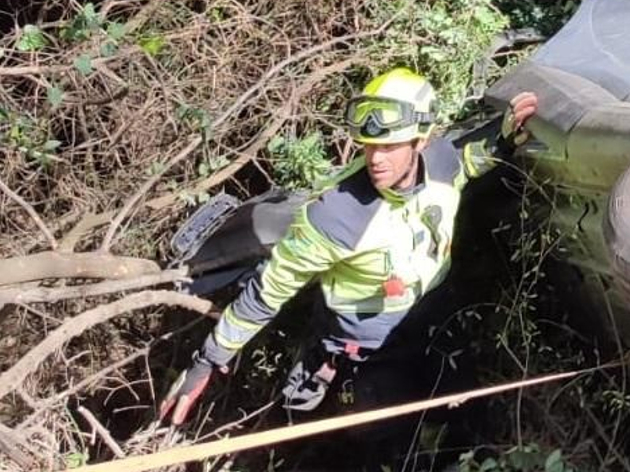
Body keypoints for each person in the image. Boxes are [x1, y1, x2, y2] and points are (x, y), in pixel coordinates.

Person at [160, 68, 538, 425]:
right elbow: (267, 292)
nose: (375, 159)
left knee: (461, 405)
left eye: (389, 147)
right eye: (369, 146)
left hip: (433, 313)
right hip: (365, 344)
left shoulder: (439, 161)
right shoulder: (335, 216)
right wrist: (208, 360)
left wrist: (503, 142)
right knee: (384, 435)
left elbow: (464, 166)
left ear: (421, 140)